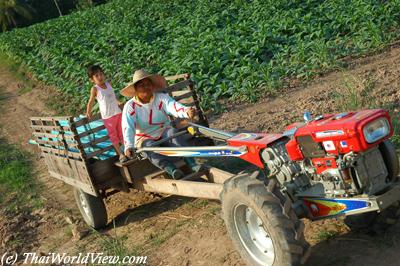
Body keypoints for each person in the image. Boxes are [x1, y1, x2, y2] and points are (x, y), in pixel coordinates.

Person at [121, 69, 202, 179]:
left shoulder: (160, 98)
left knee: (173, 132)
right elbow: (128, 127)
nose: (146, 87)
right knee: (149, 146)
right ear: (136, 89)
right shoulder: (130, 106)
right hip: (144, 137)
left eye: (148, 84)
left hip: (163, 130)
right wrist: (129, 146)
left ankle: (192, 163)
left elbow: (173, 106)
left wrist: (186, 111)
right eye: (141, 85)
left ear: (152, 86)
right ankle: (172, 170)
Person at [85, 65, 127, 162]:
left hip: (117, 113)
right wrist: (88, 112)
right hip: (108, 117)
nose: (100, 77)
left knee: (122, 133)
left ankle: (127, 151)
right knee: (113, 136)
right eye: (96, 75)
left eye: (101, 74)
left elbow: (113, 96)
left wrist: (119, 102)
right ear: (92, 79)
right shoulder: (95, 89)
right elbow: (91, 101)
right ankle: (121, 155)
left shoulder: (108, 84)